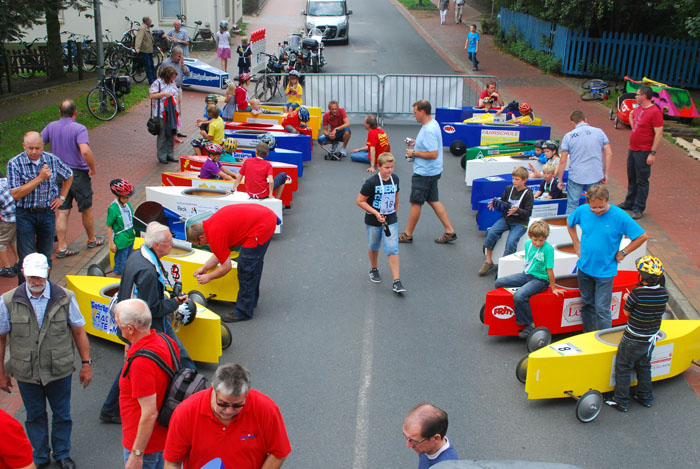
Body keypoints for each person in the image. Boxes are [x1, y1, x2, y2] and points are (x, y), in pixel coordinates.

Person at [0, 253, 92, 469]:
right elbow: (1, 338)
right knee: (34, 415)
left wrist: (86, 364)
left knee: (62, 414)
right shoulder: (7, 301)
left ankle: (62, 453)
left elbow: (79, 332)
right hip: (26, 372)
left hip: (58, 369)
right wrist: (2, 373)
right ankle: (40, 455)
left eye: (40, 277)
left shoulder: (66, 297)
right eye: (32, 277)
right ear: (23, 273)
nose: (36, 281)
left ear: (48, 272)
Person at [99, 222, 195, 425]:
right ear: (157, 245)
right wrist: (174, 302)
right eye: (169, 241)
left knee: (138, 362)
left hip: (132, 320)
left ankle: (110, 408)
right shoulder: (149, 273)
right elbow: (153, 309)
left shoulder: (137, 255)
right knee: (175, 356)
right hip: (147, 325)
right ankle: (192, 396)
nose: (172, 244)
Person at [163, 363, 291, 469]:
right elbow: (172, 462)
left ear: (247, 394)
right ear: (213, 389)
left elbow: (279, 452)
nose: (229, 411)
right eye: (223, 404)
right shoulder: (185, 412)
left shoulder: (266, 409)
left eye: (237, 405)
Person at [567, 185, 648, 332]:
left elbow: (642, 236)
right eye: (594, 208)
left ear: (607, 201)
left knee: (602, 309)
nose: (597, 211)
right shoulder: (583, 211)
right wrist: (576, 243)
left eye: (601, 207)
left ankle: (603, 339)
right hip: (584, 268)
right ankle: (588, 335)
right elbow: (570, 222)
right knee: (587, 304)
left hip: (605, 271)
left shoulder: (619, 216)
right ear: (588, 202)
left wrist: (623, 252)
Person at [187, 204, 278, 322]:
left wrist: (209, 277)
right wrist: (205, 268)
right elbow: (220, 253)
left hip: (262, 226)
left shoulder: (214, 236)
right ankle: (251, 301)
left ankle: (243, 311)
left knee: (246, 268)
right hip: (264, 216)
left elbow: (226, 267)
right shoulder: (210, 225)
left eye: (198, 243)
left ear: (201, 236)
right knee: (254, 263)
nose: (201, 245)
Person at [117, 299, 178, 469]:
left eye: (118, 322)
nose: (117, 326)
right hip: (166, 435)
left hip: (146, 445)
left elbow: (149, 412)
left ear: (130, 329)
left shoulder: (140, 363)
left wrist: (137, 454)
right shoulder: (165, 340)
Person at [7, 131, 73, 285]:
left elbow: (69, 175)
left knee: (45, 255)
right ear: (24, 146)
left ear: (43, 146)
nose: (34, 152)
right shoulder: (15, 163)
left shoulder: (52, 160)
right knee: (26, 256)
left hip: (47, 213)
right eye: (30, 148)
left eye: (37, 148)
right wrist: (40, 178)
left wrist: (61, 197)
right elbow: (15, 194)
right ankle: (25, 290)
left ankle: (45, 287)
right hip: (25, 214)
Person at [41, 99, 103, 258]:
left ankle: (62, 247)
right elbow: (85, 151)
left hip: (58, 175)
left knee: (62, 211)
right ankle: (91, 239)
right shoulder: (79, 129)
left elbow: (39, 144)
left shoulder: (51, 127)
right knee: (86, 208)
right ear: (75, 113)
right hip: (77, 175)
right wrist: (92, 168)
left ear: (59, 112)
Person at [606, 256, 668, 413]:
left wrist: (627, 299)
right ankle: (645, 397)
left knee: (623, 366)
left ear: (642, 277)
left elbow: (627, 312)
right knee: (644, 365)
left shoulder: (637, 293)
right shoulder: (663, 293)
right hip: (650, 337)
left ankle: (621, 401)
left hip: (633, 337)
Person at [399, 100, 457, 245]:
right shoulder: (433, 124)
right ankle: (449, 230)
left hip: (424, 173)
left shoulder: (429, 130)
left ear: (422, 112)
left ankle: (408, 234)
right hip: (433, 171)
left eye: (415, 112)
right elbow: (430, 146)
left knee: (416, 203)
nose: (414, 115)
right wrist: (416, 142)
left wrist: (414, 152)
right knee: (433, 200)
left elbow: (433, 153)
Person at [494, 221, 566, 337]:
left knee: (519, 296)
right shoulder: (528, 244)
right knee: (499, 282)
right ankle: (505, 312)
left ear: (545, 238)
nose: (538, 243)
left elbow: (549, 270)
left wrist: (553, 288)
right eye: (535, 240)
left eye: (541, 240)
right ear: (530, 236)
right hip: (526, 275)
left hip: (540, 280)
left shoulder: (548, 249)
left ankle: (529, 325)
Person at [356, 152, 405, 293]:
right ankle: (374, 268)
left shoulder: (395, 179)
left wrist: (394, 212)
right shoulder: (371, 183)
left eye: (392, 167)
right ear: (379, 167)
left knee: (392, 248)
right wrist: (376, 213)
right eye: (386, 167)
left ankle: (397, 281)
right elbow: (360, 201)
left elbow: (396, 195)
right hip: (373, 219)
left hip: (390, 218)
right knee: (374, 245)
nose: (389, 170)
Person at [478, 166, 533, 276]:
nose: (514, 181)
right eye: (513, 179)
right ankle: (488, 261)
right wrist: (495, 204)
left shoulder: (528, 194)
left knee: (511, 241)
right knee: (491, 232)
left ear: (524, 180)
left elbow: (528, 213)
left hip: (520, 223)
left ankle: (505, 266)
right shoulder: (509, 188)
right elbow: (503, 203)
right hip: (506, 219)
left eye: (517, 179)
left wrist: (518, 210)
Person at [619, 85, 664, 220]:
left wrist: (653, 153)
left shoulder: (655, 112)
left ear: (644, 96)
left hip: (644, 151)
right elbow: (636, 127)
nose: (636, 97)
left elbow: (659, 133)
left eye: (638, 94)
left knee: (642, 180)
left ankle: (639, 207)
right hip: (633, 148)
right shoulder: (638, 109)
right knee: (632, 176)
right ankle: (630, 202)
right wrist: (632, 118)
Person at [556, 110, 613, 214]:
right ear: (585, 119)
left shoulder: (568, 136)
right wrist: (605, 173)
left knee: (572, 205)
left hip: (576, 175)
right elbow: (609, 153)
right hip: (595, 174)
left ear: (572, 122)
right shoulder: (599, 132)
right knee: (596, 204)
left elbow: (563, 160)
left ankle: (571, 227)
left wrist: (560, 180)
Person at [402, 403, 458, 469]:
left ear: (436, 438)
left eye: (414, 441)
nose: (408, 445)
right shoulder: (428, 446)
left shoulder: (447, 465)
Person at [149, 66, 180, 164]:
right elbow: (151, 95)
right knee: (162, 134)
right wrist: (163, 94)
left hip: (171, 112)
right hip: (161, 112)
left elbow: (176, 95)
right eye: (172, 77)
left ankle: (170, 154)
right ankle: (162, 155)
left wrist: (177, 108)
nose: (173, 79)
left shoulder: (172, 83)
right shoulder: (157, 83)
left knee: (171, 132)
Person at [106, 179, 135, 278]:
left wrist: (133, 229)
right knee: (120, 266)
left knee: (130, 262)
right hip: (121, 240)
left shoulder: (127, 205)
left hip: (130, 237)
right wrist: (111, 242)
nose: (127, 199)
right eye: (125, 197)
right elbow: (109, 226)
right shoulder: (113, 209)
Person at [160, 47, 190, 140]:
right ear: (173, 55)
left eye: (181, 56)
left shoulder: (181, 63)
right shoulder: (166, 63)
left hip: (178, 89)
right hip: (168, 90)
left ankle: (177, 130)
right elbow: (161, 76)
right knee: (169, 110)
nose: (180, 58)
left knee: (178, 109)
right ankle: (168, 130)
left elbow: (187, 73)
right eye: (178, 56)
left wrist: (183, 64)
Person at [0, 175, 18, 278]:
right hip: (18, 216)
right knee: (13, 239)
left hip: (7, 218)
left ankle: (7, 268)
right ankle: (18, 262)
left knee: (1, 242)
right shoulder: (8, 180)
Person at [135, 16, 156, 84]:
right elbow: (139, 38)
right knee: (148, 66)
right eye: (150, 21)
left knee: (151, 65)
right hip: (145, 50)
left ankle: (154, 78)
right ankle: (151, 80)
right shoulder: (142, 28)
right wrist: (137, 47)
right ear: (147, 21)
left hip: (149, 49)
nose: (151, 22)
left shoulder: (147, 27)